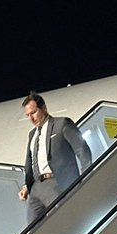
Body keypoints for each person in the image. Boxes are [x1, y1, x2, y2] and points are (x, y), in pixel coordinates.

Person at [19, 91, 92, 223]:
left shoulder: (62, 124)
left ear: (44, 108)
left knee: (61, 222)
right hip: (35, 187)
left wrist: (86, 176)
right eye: (28, 115)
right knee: (32, 230)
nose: (31, 118)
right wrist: (26, 185)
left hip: (56, 182)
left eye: (33, 113)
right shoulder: (32, 134)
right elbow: (30, 161)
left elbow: (82, 149)